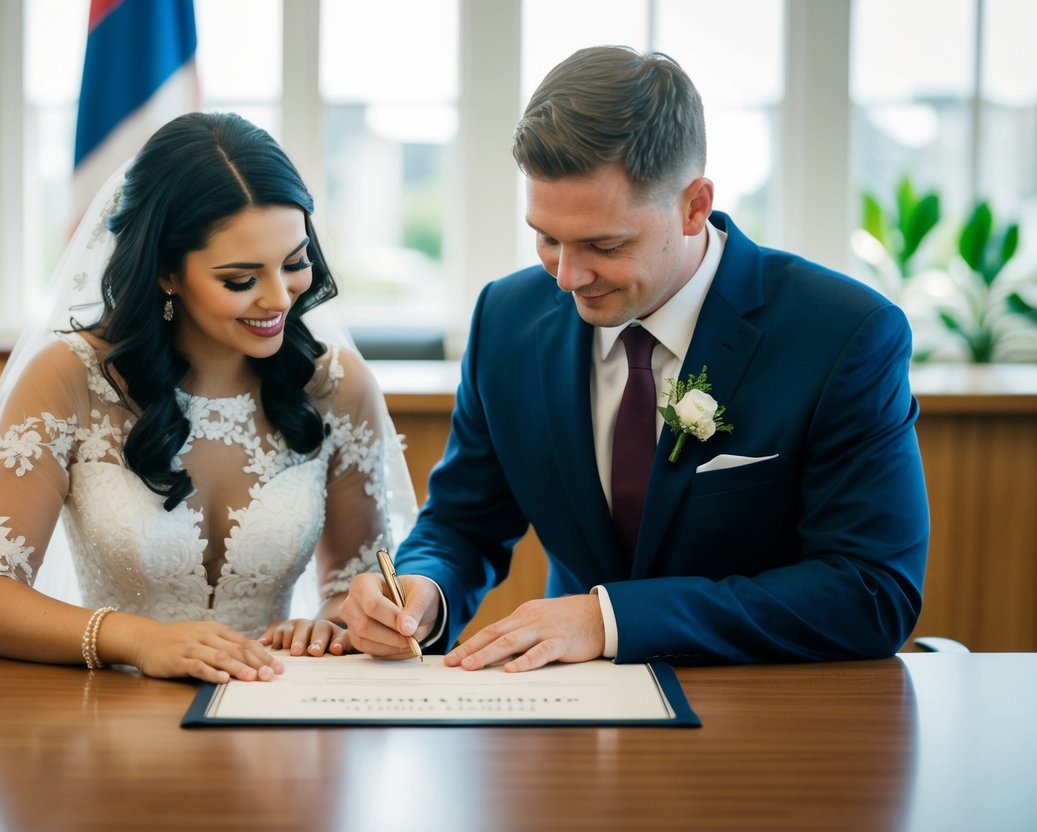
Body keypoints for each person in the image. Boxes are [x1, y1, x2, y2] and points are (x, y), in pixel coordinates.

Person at [341, 46, 929, 671]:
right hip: (570, 720)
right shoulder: (505, 321)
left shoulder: (843, 333)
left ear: (694, 205)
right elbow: (464, 523)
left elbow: (872, 591)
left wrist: (610, 619)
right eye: (546, 237)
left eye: (604, 244)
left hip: (762, 720)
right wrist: (423, 592)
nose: (566, 277)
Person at [0, 112, 417, 684]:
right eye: (241, 279)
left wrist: (328, 627)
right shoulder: (71, 379)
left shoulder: (336, 387)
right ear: (167, 271)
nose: (278, 298)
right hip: (110, 718)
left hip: (269, 718)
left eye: (295, 264)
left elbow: (357, 585)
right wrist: (137, 639)